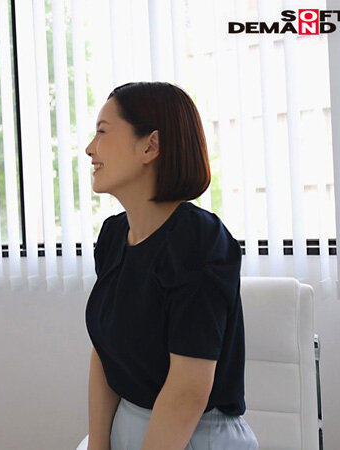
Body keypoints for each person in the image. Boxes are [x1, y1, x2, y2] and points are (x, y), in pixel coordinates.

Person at [84, 82, 258, 449]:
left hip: (192, 435)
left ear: (150, 146)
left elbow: (187, 392)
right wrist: (98, 444)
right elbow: (105, 350)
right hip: (127, 424)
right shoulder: (113, 236)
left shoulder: (199, 242)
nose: (90, 149)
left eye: (102, 132)